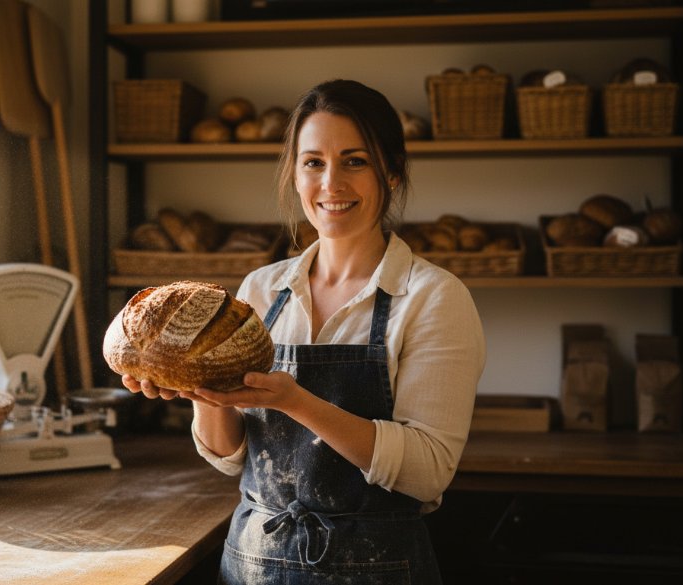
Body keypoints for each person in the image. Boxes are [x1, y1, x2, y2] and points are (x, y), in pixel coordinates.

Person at [122, 79, 485, 584]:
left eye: (355, 161)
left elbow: (426, 472)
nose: (331, 184)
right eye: (313, 162)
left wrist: (296, 402)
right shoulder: (262, 290)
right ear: (295, 175)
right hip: (253, 564)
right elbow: (230, 458)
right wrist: (200, 391)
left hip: (377, 567)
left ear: (394, 173)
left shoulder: (432, 297)